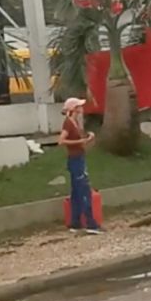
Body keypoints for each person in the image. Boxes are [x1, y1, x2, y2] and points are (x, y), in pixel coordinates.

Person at [58, 97, 101, 234]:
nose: (81, 109)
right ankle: (90, 223)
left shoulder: (74, 123)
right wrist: (80, 141)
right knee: (84, 190)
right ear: (73, 109)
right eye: (79, 107)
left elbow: (78, 140)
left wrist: (86, 139)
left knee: (76, 192)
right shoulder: (69, 124)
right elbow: (61, 141)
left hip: (77, 158)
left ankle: (75, 222)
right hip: (76, 160)